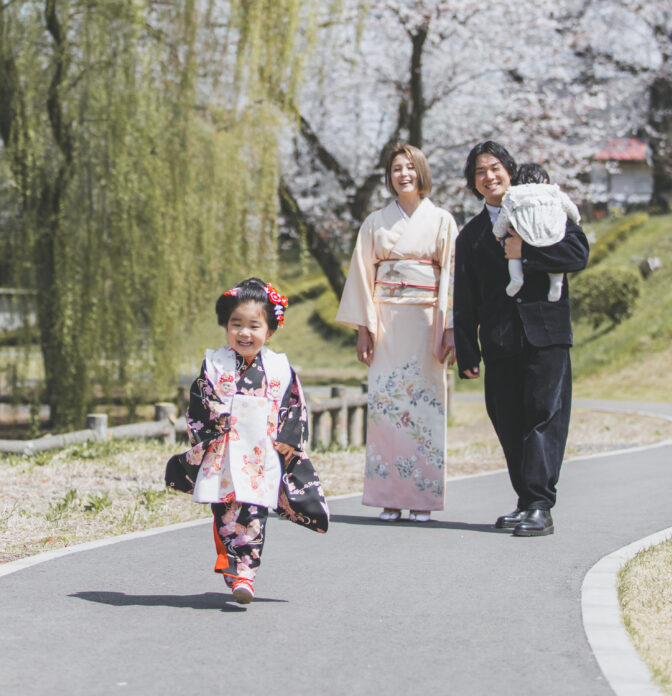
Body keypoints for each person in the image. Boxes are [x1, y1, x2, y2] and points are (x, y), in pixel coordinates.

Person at [453, 141, 589, 537]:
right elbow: (465, 298)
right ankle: (526, 498)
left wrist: (525, 251)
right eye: (480, 172)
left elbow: (577, 253)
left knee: (543, 416)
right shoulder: (471, 236)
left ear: (510, 171)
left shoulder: (544, 208)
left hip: (546, 332)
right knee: (507, 418)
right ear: (473, 183)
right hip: (499, 341)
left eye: (495, 168)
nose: (489, 176)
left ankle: (539, 504)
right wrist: (466, 350)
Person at [165, 277, 328, 605]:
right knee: (225, 509)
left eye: (254, 325)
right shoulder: (215, 364)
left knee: (254, 510)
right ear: (225, 326)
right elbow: (200, 402)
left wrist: (288, 439)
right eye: (235, 324)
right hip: (224, 449)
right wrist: (212, 424)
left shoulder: (279, 367)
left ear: (269, 331)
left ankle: (246, 572)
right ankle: (230, 561)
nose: (243, 332)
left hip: (260, 451)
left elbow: (293, 404)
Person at [336, 144, 457, 523]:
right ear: (388, 176)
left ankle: (422, 497)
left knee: (425, 408)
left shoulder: (442, 221)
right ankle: (389, 495)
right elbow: (361, 275)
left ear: (421, 172)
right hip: (386, 321)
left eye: (409, 167)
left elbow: (452, 278)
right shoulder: (375, 222)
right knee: (387, 407)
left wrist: (450, 328)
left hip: (425, 323)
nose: (403, 174)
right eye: (396, 169)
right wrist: (364, 330)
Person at [493, 163, 582, 302]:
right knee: (555, 256)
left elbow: (505, 216)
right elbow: (570, 207)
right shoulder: (554, 192)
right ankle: (556, 282)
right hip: (552, 232)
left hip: (525, 233)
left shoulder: (514, 194)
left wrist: (498, 233)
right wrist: (576, 219)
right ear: (545, 180)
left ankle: (516, 279)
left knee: (513, 253)